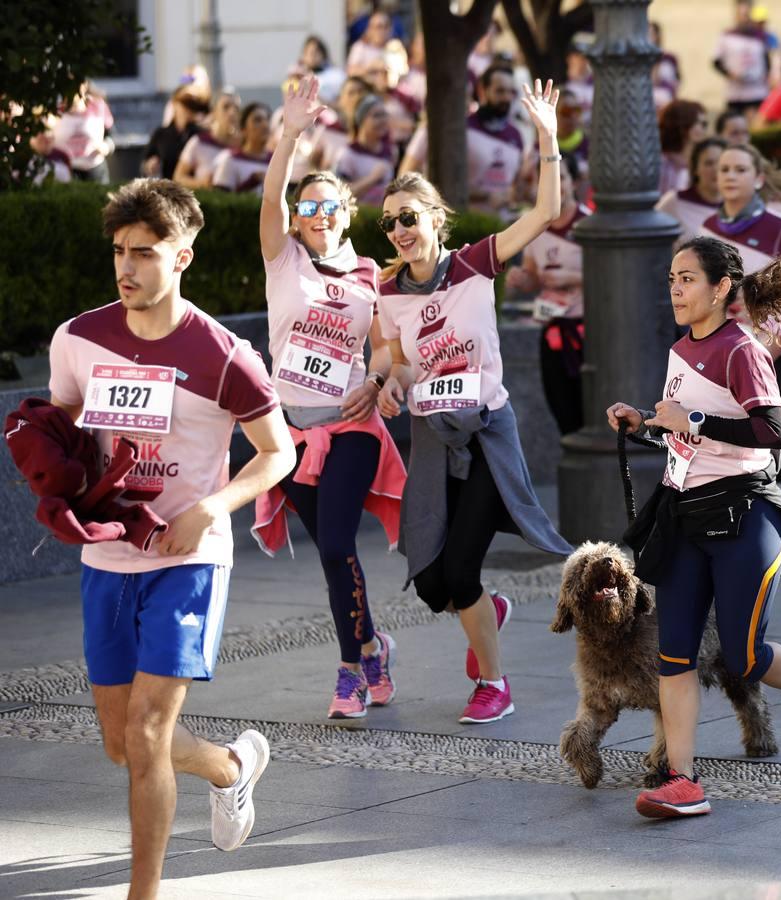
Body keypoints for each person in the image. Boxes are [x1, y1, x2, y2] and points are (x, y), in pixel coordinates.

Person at [46, 177, 295, 897]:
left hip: (189, 559)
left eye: (146, 253)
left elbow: (279, 452)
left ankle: (143, 893)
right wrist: (58, 482)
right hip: (107, 556)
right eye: (120, 252)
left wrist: (212, 508)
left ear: (182, 257)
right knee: (121, 742)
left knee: (150, 734)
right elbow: (61, 434)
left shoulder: (224, 355)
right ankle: (230, 767)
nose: (127, 267)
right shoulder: (79, 339)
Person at [607, 236, 781, 818]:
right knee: (676, 655)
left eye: (687, 279)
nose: (676, 289)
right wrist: (645, 422)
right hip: (684, 514)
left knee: (742, 656)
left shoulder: (742, 349)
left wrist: (689, 418)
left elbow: (768, 431)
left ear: (722, 288)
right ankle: (682, 780)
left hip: (745, 514)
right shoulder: (679, 349)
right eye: (672, 279)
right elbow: (684, 432)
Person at [374, 82, 574, 725]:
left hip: (487, 431)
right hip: (434, 438)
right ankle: (488, 610)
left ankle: (495, 682)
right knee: (432, 580)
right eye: (389, 221)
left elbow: (545, 213)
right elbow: (398, 361)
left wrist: (546, 137)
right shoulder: (387, 292)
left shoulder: (477, 263)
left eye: (410, 216)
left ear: (436, 217)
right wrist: (390, 383)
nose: (400, 229)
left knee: (460, 572)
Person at [251, 75, 408, 718]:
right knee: (333, 556)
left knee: (340, 543)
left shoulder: (368, 272)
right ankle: (372, 646)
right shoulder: (281, 258)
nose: (317, 215)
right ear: (297, 218)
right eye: (307, 206)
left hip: (351, 429)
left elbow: (384, 347)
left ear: (347, 214)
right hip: (291, 437)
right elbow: (270, 194)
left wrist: (376, 382)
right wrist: (288, 137)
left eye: (329, 206)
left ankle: (348, 670)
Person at [506, 160, 588, 435]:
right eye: (547, 181)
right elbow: (533, 277)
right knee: (562, 413)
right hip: (552, 329)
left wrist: (574, 279)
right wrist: (521, 279)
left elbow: (613, 276)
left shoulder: (589, 224)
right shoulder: (534, 229)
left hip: (589, 332)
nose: (556, 186)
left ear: (573, 182)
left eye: (561, 177)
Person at [700, 144, 781, 340]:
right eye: (724, 170)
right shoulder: (707, 227)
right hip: (718, 345)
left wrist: (764, 359)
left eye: (740, 170)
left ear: (759, 179)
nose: (730, 176)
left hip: (770, 351)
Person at [467, 64, 525, 218]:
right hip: (469, 224)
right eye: (500, 91)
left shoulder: (516, 135)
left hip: (504, 227)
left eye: (510, 92)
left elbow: (517, 185)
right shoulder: (465, 130)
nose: (506, 98)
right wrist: (486, 196)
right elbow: (447, 185)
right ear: (483, 91)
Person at [657, 136, 725, 248]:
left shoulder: (740, 207)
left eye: (722, 163)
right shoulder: (674, 201)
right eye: (709, 163)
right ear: (695, 169)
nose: (716, 169)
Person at [332, 95, 396, 205]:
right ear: (361, 120)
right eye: (376, 115)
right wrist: (372, 178)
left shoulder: (391, 151)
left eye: (384, 115)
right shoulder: (347, 154)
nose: (383, 120)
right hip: (358, 219)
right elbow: (338, 195)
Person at [713, 0, 772, 116]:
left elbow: (767, 62)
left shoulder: (760, 36)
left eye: (747, 14)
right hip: (735, 94)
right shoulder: (727, 36)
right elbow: (717, 61)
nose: (745, 18)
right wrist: (730, 73)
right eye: (742, 14)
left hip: (757, 92)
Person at [175, 91, 243, 189]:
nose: (232, 113)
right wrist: (202, 183)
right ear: (214, 112)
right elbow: (178, 177)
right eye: (226, 107)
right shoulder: (199, 141)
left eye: (236, 108)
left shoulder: (243, 145)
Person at [51, 82, 115, 183]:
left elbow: (112, 137)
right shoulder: (53, 111)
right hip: (65, 172)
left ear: (84, 86)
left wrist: (106, 147)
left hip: (95, 171)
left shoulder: (97, 106)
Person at [143, 87, 208, 180]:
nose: (187, 110)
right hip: (168, 186)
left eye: (191, 106)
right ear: (175, 104)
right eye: (184, 104)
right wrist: (150, 164)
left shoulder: (200, 134)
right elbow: (147, 160)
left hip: (193, 186)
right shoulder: (161, 134)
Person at [310, 76, 373, 172]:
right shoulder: (328, 130)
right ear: (341, 100)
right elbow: (313, 162)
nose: (356, 97)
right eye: (351, 93)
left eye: (361, 92)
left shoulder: (377, 130)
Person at [211, 103, 274, 195]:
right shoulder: (231, 160)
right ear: (243, 129)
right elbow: (219, 200)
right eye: (257, 120)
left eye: (267, 120)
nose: (265, 125)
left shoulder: (276, 161)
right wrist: (250, 183)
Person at [659, 99, 708, 195]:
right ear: (682, 124)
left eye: (704, 124)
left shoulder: (702, 161)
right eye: (698, 123)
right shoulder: (661, 162)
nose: (703, 128)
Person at [347, 10, 408, 83]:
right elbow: (351, 72)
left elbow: (404, 73)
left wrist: (388, 69)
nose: (382, 31)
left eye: (385, 26)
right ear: (369, 29)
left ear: (390, 29)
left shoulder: (396, 47)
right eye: (378, 27)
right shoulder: (360, 47)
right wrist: (370, 67)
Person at [292, 35, 346, 102]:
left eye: (315, 52)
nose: (312, 56)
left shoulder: (336, 75)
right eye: (309, 53)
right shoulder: (296, 76)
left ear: (323, 54)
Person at [651, 21, 682, 109]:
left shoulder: (669, 58)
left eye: (652, 34)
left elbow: (677, 79)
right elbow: (653, 81)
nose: (649, 38)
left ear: (658, 36)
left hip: (666, 100)